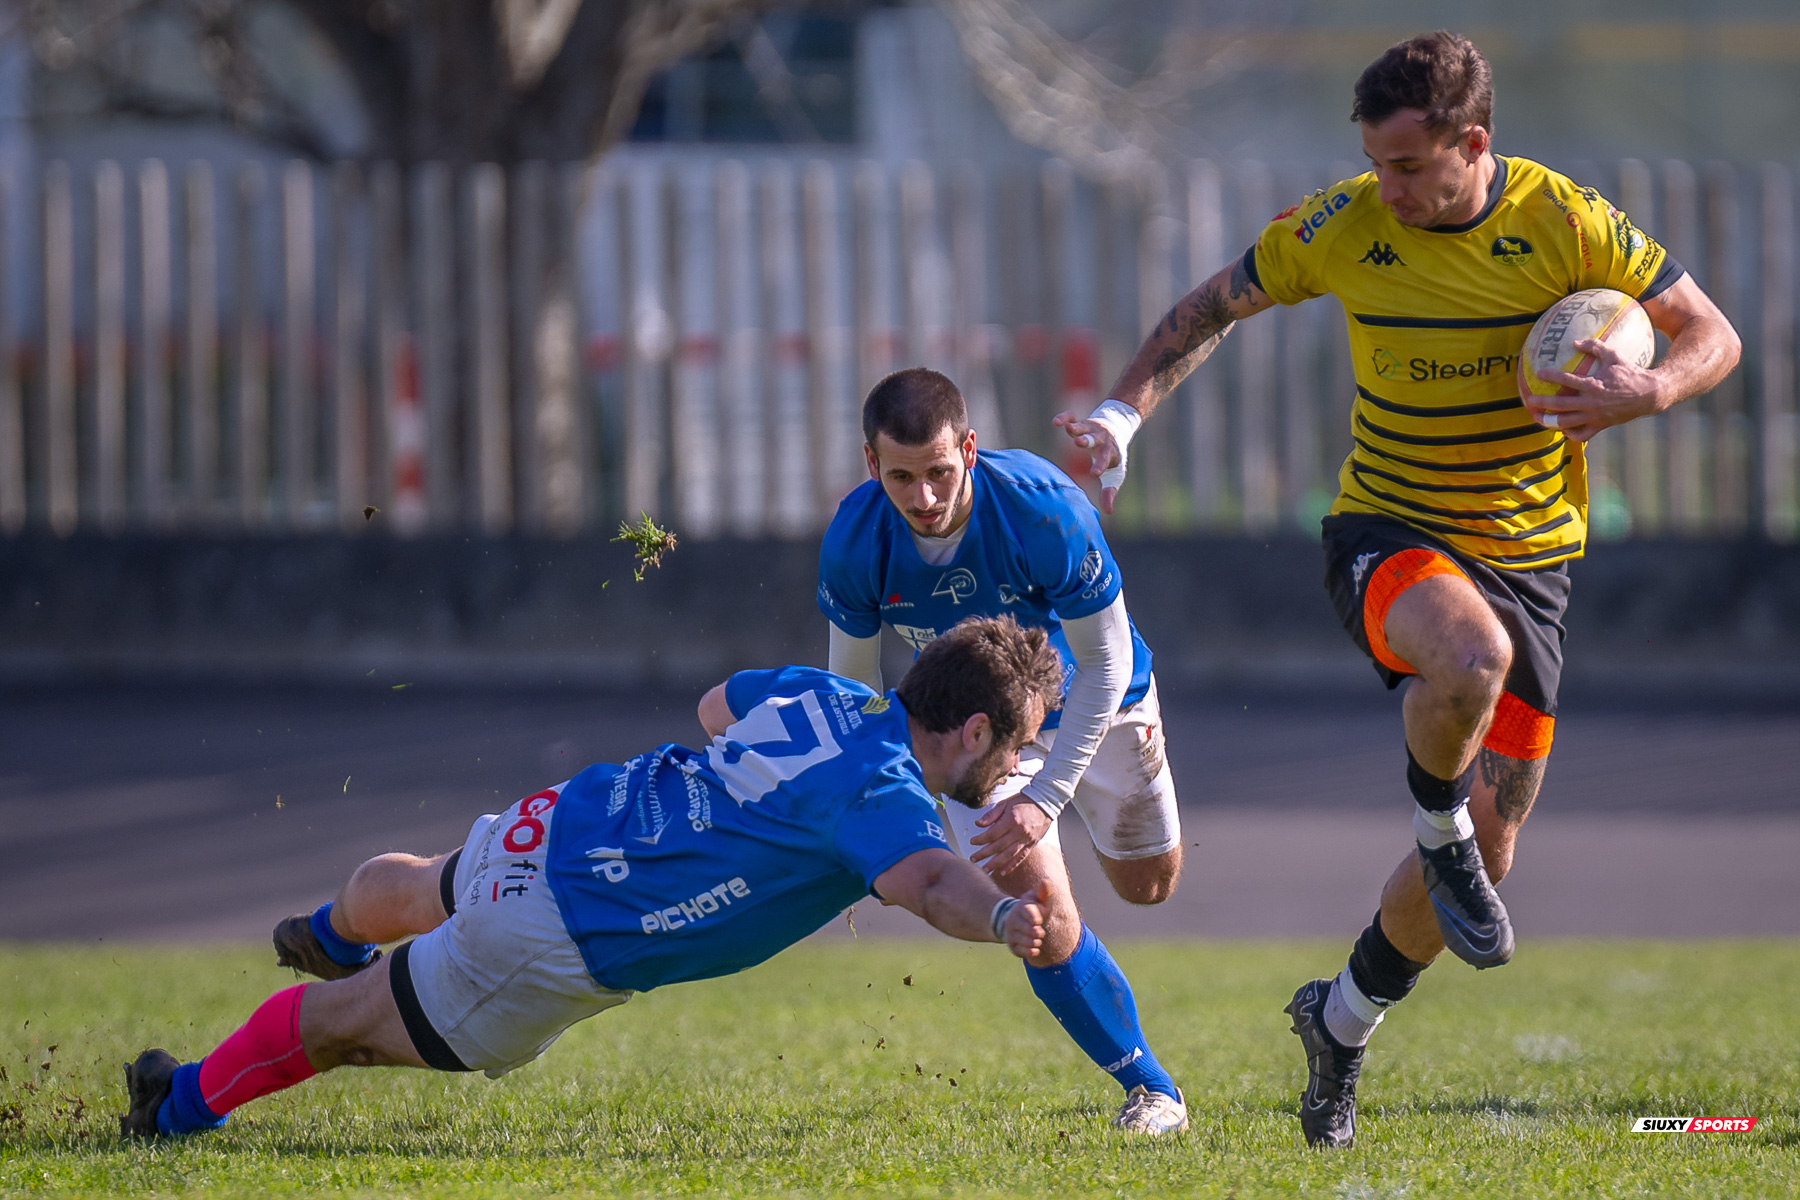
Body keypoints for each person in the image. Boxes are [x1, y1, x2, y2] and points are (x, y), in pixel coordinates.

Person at [1056, 31, 1741, 1150]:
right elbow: (1210, 307)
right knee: (1469, 665)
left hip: (1533, 554)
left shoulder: (1567, 221)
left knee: (1497, 838)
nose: (1391, 189)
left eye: (1413, 168)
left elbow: (1713, 332)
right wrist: (1124, 416)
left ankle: (1342, 1019)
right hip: (1393, 531)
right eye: (1377, 163)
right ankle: (1436, 830)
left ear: (1475, 144)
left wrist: (1652, 389)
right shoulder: (1345, 225)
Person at [119, 616, 1060, 1139]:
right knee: (347, 1030)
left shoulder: (831, 694)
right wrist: (1010, 915)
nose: (1013, 770)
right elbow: (935, 885)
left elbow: (715, 705)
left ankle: (326, 930)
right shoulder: (888, 798)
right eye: (1015, 748)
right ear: (973, 731)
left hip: (573, 817)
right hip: (561, 932)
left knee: (415, 882)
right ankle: (178, 1103)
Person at [817, 366, 1188, 1135]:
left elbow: (1109, 660)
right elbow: (851, 698)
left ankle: (1089, 841)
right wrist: (865, 827)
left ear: (972, 451)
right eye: (902, 477)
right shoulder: (856, 540)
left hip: (1095, 697)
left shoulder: (1045, 510)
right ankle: (1153, 1090)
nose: (923, 499)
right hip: (976, 730)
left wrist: (1047, 797)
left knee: (1149, 884)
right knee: (1039, 914)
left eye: (941, 473)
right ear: (870, 464)